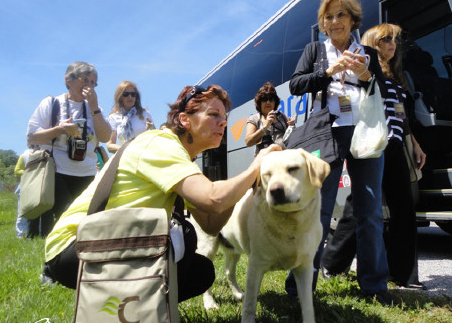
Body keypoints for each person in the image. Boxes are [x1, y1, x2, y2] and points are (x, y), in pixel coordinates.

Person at [43, 85, 280, 303]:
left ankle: (132, 313)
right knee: (185, 237)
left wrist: (245, 185)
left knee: (201, 270)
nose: (223, 123)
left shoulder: (180, 159)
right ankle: (130, 312)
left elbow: (210, 223)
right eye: (213, 115)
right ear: (185, 120)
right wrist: (255, 167)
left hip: (105, 242)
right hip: (76, 247)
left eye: (224, 117)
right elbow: (213, 198)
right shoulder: (160, 143)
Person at [286, 0, 392, 304]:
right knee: (318, 211)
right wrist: (329, 72)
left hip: (366, 134)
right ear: (323, 22)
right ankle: (300, 288)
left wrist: (364, 74)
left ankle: (374, 286)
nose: (334, 22)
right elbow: (296, 84)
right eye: (328, 16)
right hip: (326, 135)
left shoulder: (368, 53)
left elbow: (384, 92)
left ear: (352, 19)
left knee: (370, 212)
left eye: (341, 15)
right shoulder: (314, 50)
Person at [322, 23, 427, 290]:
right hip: (372, 142)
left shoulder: (399, 76)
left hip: (395, 143)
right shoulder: (366, 70)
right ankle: (331, 264)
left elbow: (403, 117)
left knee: (404, 208)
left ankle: (404, 275)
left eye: (395, 39)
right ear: (373, 42)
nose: (392, 43)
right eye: (385, 39)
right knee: (360, 208)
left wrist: (414, 142)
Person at [27, 61, 112, 237]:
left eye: (93, 82)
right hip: (55, 172)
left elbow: (104, 138)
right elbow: (32, 137)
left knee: (84, 222)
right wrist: (60, 129)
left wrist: (94, 107)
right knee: (61, 219)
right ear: (68, 80)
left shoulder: (95, 109)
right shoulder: (52, 104)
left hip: (86, 172)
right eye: (85, 79)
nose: (89, 85)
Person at [245, 81, 295, 155]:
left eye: (271, 99)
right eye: (265, 99)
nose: (268, 102)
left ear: (275, 102)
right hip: (265, 162)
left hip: (284, 159)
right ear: (260, 102)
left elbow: (290, 138)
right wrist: (264, 127)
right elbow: (248, 142)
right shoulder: (254, 118)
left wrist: (291, 127)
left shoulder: (282, 116)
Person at [106, 81, 155, 153]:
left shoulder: (145, 114)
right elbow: (109, 145)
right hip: (124, 158)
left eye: (133, 94)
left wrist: (152, 128)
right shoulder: (113, 117)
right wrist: (129, 150)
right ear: (120, 97)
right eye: (126, 94)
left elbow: (155, 137)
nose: (130, 97)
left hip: (144, 155)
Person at [14, 148, 32, 238]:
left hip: (40, 187)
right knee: (22, 213)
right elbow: (17, 171)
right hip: (24, 187)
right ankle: (21, 235)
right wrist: (31, 172)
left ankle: (37, 234)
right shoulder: (25, 154)